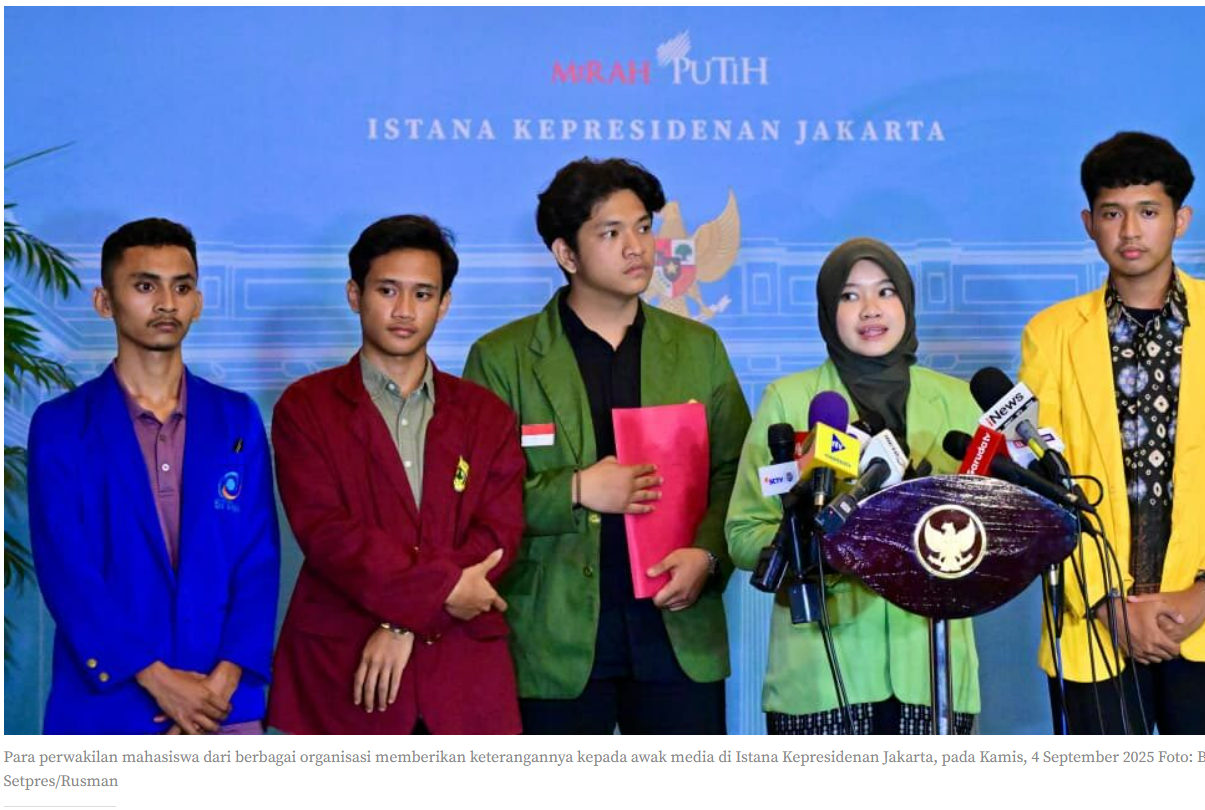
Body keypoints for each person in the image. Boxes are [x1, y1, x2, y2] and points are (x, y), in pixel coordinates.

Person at [1019, 132, 1205, 733]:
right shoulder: (1053, 334)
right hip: (1097, 624)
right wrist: (1106, 603)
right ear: (1089, 224)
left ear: (1180, 220)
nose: (1130, 231)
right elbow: (1041, 482)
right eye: (1112, 214)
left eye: (1148, 212)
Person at [463, 157, 751, 734]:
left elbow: (736, 474)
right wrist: (574, 489)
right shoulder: (502, 358)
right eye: (610, 233)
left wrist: (708, 556)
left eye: (643, 228)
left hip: (676, 633)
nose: (636, 247)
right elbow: (473, 496)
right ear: (566, 254)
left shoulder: (699, 349)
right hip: (554, 640)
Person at [267, 215, 525, 734]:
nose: (405, 310)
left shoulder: (486, 414)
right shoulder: (306, 406)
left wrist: (404, 621)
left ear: (444, 304)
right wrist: (435, 594)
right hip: (343, 670)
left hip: (462, 674)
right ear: (354, 295)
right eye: (387, 290)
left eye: (423, 294)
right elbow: (328, 535)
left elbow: (498, 536)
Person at [27, 217, 279, 734]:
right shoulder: (60, 425)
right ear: (104, 302)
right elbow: (67, 571)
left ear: (198, 302)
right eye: (145, 286)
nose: (167, 303)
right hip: (106, 707)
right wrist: (158, 679)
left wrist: (225, 680)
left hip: (222, 706)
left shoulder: (237, 417)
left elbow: (258, 558)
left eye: (181, 287)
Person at [725, 237, 981, 734]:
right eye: (849, 295)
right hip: (820, 677)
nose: (870, 309)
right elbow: (742, 532)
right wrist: (813, 548)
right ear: (828, 311)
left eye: (886, 291)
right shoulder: (790, 400)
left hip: (935, 674)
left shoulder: (959, 402)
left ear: (906, 301)